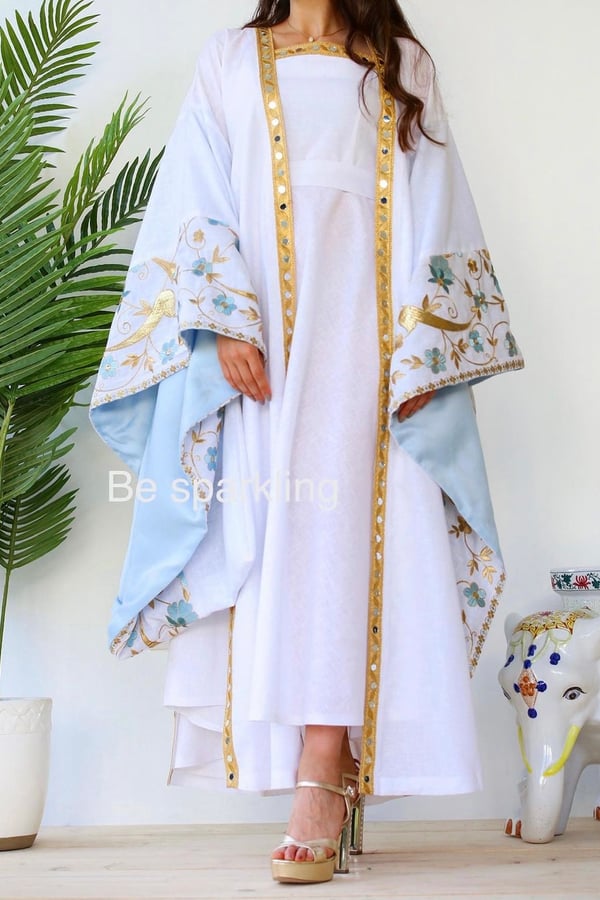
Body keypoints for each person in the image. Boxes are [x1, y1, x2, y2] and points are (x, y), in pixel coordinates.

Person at [89, 0, 524, 885]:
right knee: (279, 544)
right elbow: (198, 195)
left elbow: (440, 206)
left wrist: (427, 351)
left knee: (354, 542)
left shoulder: (402, 64)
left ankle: (324, 770)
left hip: (373, 350)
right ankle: (308, 759)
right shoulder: (228, 59)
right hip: (266, 357)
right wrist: (222, 323)